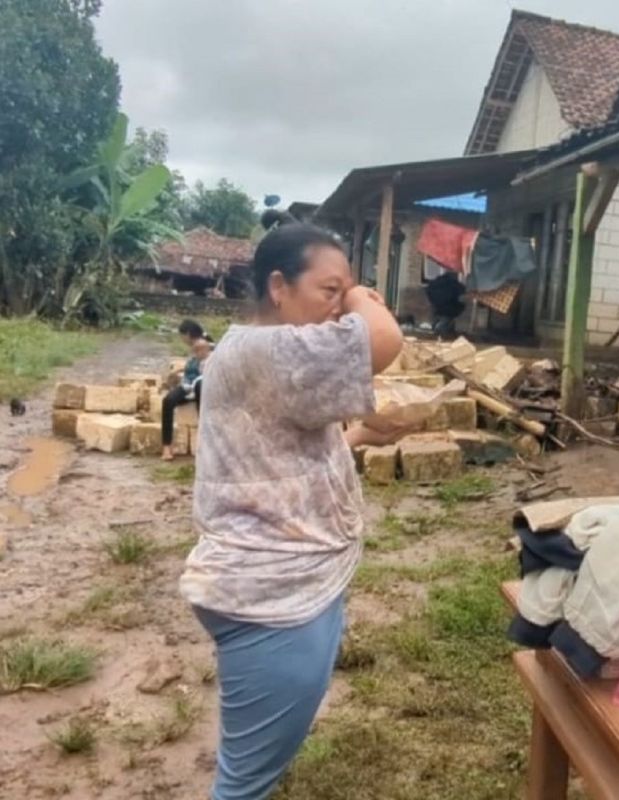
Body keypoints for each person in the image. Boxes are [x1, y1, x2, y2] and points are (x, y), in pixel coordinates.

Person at [179, 211, 405, 800]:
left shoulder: (261, 354)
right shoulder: (269, 349)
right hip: (272, 598)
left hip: (286, 582)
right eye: (328, 290)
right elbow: (384, 340)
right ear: (279, 289)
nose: (339, 305)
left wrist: (358, 439)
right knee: (243, 785)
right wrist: (361, 296)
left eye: (342, 291)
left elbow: (277, 459)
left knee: (254, 769)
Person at [161, 319, 214, 461]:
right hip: (187, 385)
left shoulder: (206, 345)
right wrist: (178, 371)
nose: (182, 340)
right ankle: (166, 446)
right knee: (168, 400)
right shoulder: (196, 346)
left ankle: (205, 445)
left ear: (188, 334)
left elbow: (205, 368)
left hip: (201, 385)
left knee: (200, 390)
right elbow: (192, 366)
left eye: (182, 336)